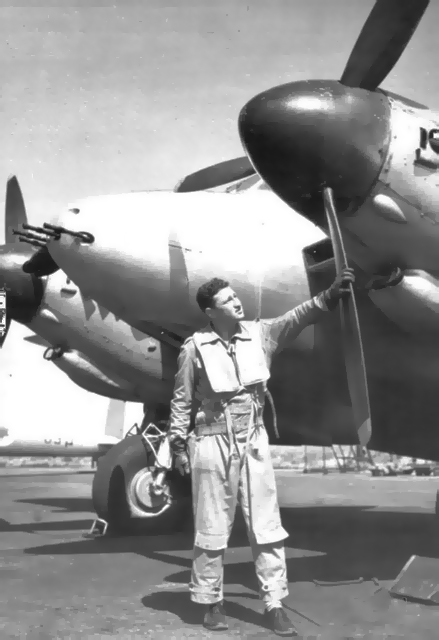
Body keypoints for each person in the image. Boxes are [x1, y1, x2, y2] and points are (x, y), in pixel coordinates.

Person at [167, 268, 355, 637]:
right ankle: (211, 602)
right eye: (227, 300)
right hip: (211, 442)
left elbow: (297, 317)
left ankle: (274, 603)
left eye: (235, 296)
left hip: (253, 440)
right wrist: (177, 445)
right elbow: (181, 400)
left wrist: (330, 295)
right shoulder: (194, 348)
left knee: (267, 526)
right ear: (211, 312)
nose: (236, 302)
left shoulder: (261, 333)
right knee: (211, 526)